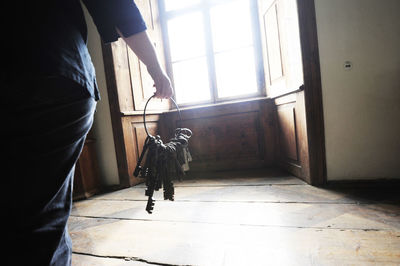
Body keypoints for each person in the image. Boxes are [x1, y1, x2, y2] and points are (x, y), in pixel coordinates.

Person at [4, 0, 172, 265]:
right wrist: (156, 69)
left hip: (51, 73)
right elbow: (116, 6)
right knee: (37, 222)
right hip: (56, 70)